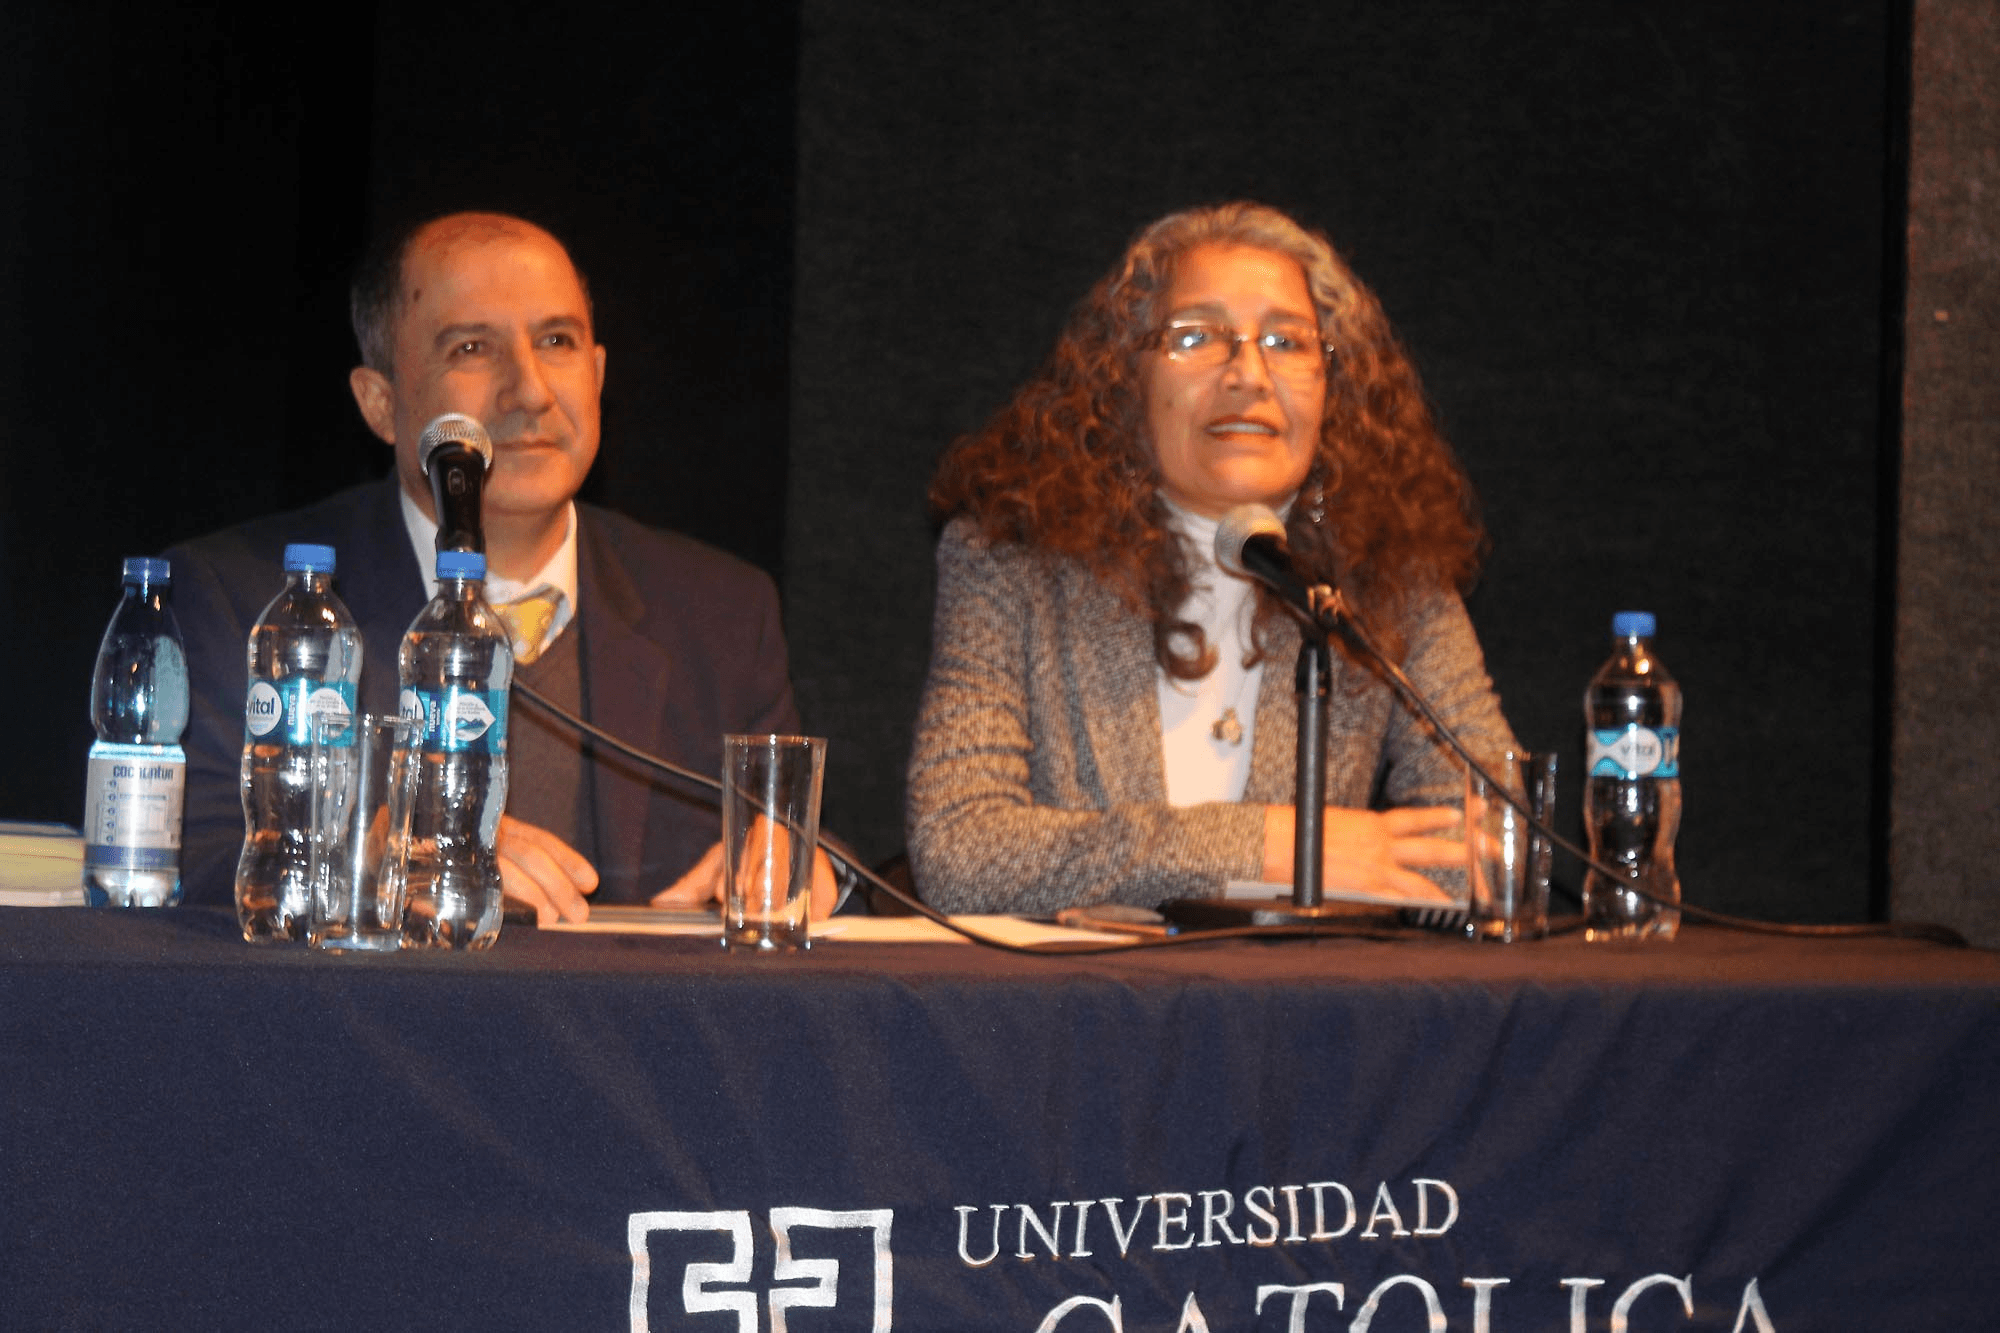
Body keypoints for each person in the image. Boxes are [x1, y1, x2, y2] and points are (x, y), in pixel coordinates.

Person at [169, 211, 833, 922]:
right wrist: (377, 853)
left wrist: (799, 867)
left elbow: (797, 836)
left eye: (556, 342)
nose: (531, 391)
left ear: (597, 375)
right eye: (472, 349)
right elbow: (182, 856)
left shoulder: (723, 613)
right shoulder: (243, 597)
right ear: (381, 403)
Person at [906, 201, 1519, 915]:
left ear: (1333, 386)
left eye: (1286, 342)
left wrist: (1353, 865)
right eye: (1196, 336)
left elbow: (1496, 840)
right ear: (1127, 378)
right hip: (1086, 988)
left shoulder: (1387, 578)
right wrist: (1270, 846)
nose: (1248, 375)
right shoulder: (1012, 563)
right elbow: (960, 852)